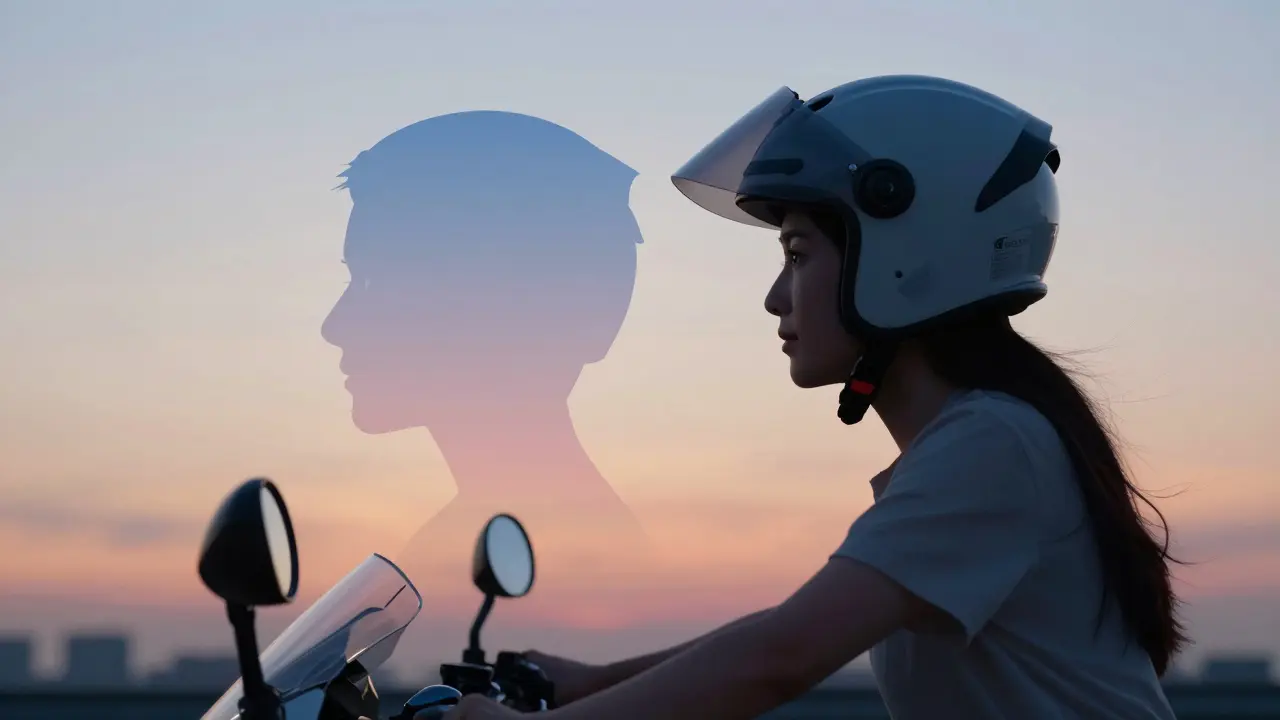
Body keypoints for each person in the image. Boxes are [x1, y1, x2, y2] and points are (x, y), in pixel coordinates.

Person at [443, 75, 1185, 719]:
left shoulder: (992, 444)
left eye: (797, 255)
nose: (775, 297)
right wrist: (594, 682)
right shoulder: (987, 438)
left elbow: (782, 657)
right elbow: (792, 626)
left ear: (905, 256)